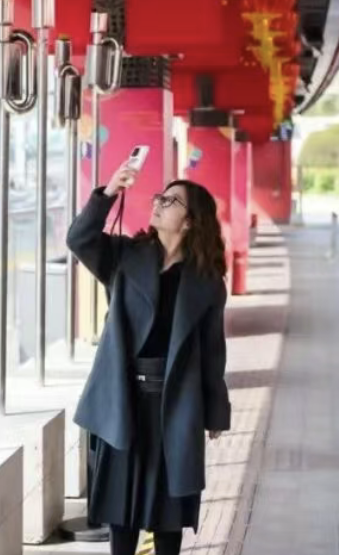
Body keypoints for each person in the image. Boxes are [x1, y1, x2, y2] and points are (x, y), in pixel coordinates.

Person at [67, 163, 232, 555]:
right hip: (123, 399)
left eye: (170, 201)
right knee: (121, 513)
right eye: (159, 197)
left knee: (169, 515)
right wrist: (108, 193)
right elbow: (79, 238)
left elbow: (213, 351)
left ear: (190, 222)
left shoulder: (207, 283)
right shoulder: (125, 257)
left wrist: (215, 412)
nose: (158, 203)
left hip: (176, 403)